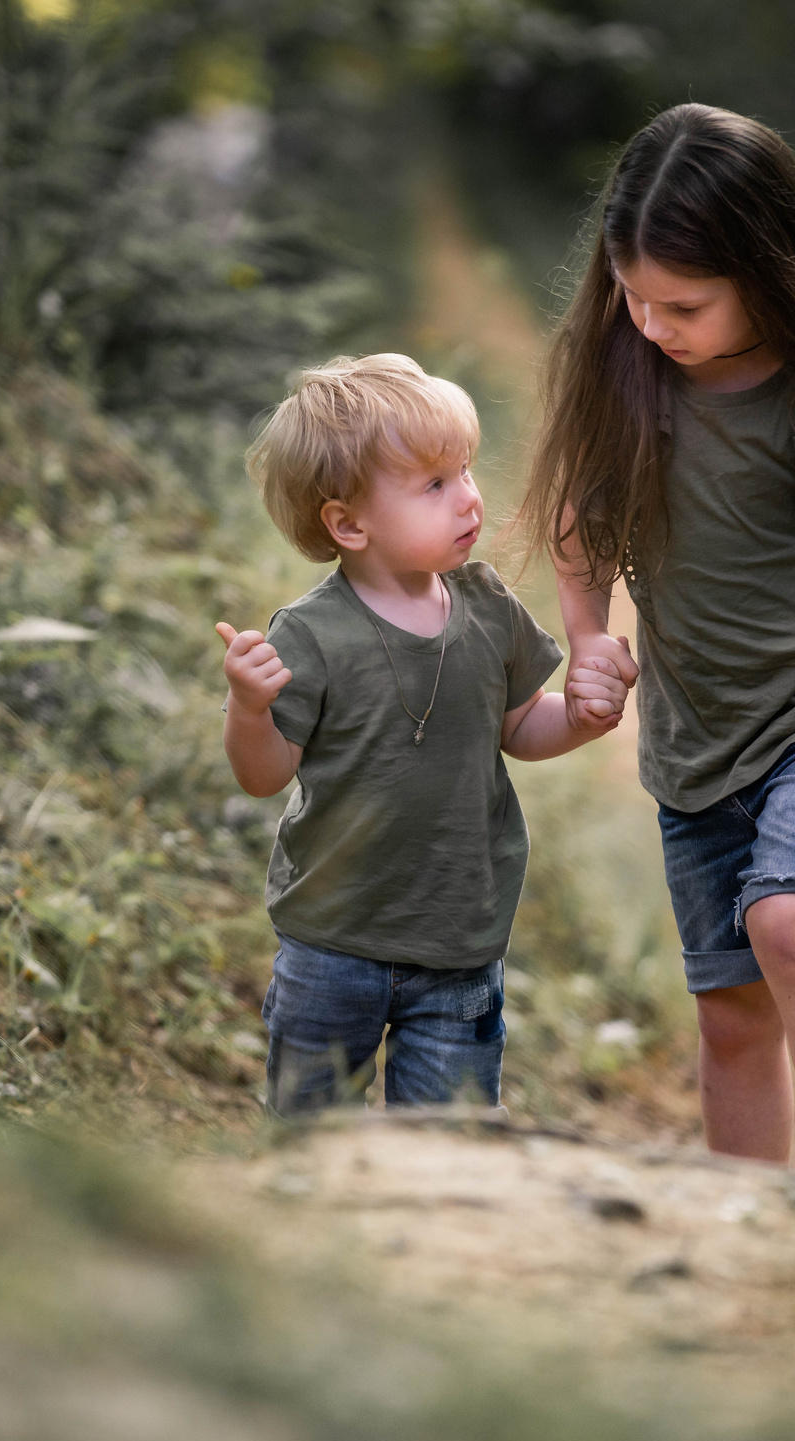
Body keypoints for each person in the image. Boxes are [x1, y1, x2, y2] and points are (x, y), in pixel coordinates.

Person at [525, 105, 795, 1204]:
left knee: (786, 917)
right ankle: (744, 1228)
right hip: (696, 739)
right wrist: (589, 641)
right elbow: (580, 532)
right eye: (632, 295)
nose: (651, 321)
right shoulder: (622, 377)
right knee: (730, 1009)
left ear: (763, 271)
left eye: (683, 303)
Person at [220, 353, 636, 1113]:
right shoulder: (312, 635)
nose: (469, 500)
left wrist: (578, 717)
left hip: (460, 945)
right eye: (435, 486)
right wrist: (249, 709)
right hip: (332, 941)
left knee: (449, 1149)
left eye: (467, 472)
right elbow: (265, 773)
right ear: (348, 523)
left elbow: (518, 726)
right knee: (312, 1136)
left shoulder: (488, 605)